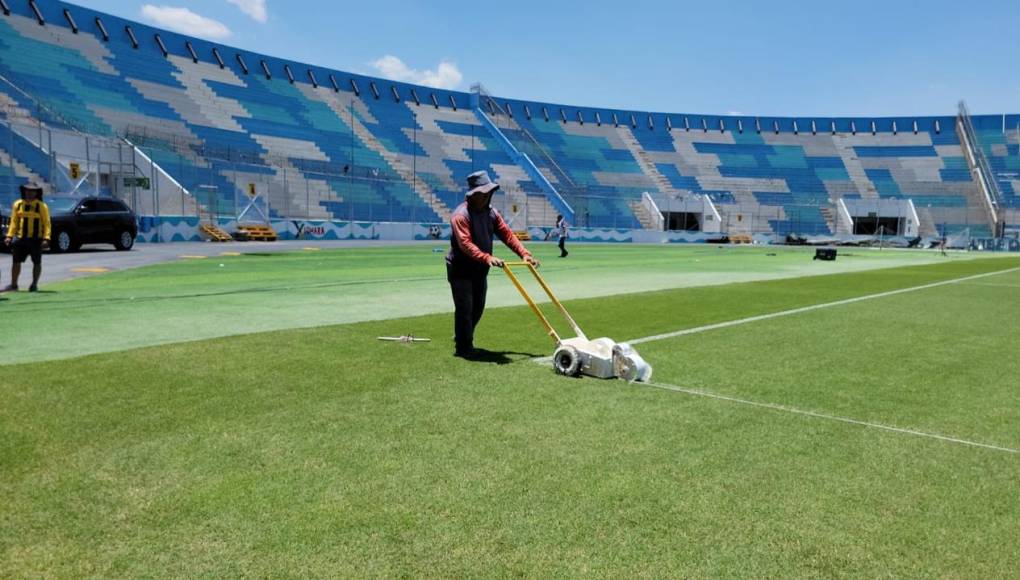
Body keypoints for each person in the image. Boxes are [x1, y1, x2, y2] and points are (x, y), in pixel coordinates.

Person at [447, 171, 538, 358]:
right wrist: (487, 257)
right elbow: (465, 245)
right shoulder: (461, 216)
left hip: (480, 269)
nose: (487, 196)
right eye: (483, 193)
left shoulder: (491, 214)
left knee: (478, 307)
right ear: (474, 195)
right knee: (465, 307)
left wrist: (524, 253)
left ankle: (463, 337)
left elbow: (507, 235)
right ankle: (464, 347)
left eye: (489, 193)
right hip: (460, 269)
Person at [3, 182, 50, 293]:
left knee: (37, 262)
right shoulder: (17, 204)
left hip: (36, 239)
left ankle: (34, 284)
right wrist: (9, 236)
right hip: (20, 239)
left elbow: (47, 223)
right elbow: (13, 222)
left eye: (32, 191)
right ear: (24, 191)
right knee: (15, 262)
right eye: (27, 190)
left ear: (36, 193)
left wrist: (46, 238)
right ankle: (14, 285)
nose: (29, 193)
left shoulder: (41, 206)